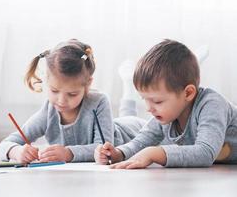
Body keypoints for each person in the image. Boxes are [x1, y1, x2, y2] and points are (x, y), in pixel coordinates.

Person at [94, 39, 237, 168]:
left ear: (188, 93)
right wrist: (118, 153)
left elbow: (205, 152)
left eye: (157, 101)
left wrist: (154, 153)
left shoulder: (212, 105)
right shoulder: (167, 114)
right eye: (145, 99)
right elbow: (141, 141)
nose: (149, 109)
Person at [0, 39, 145, 163]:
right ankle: (127, 85)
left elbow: (104, 147)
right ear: (46, 82)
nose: (61, 101)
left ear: (88, 84)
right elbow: (5, 144)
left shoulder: (99, 101)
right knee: (125, 115)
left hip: (131, 131)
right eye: (54, 91)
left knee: (128, 117)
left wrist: (68, 153)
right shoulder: (48, 111)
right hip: (118, 124)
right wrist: (16, 152)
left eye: (72, 94)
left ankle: (128, 86)